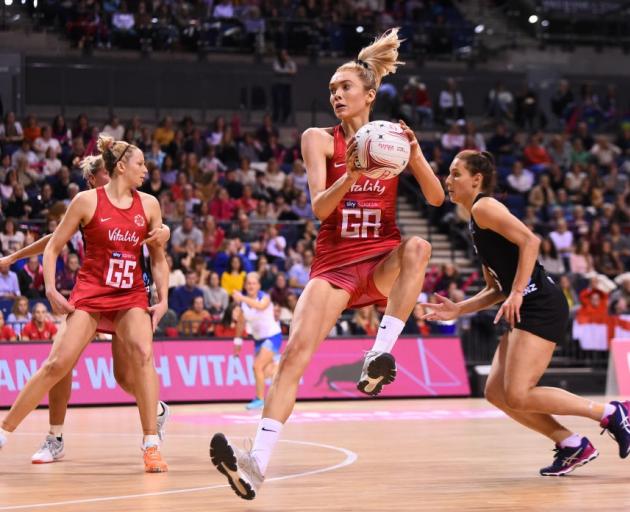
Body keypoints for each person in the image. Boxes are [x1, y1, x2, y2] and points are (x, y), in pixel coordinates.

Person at [210, 28, 444, 500]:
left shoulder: (395, 141)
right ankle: (256, 464)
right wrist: (353, 173)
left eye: (345, 88)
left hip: (381, 260)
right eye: (332, 90)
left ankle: (379, 352)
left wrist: (416, 154)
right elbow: (319, 207)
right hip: (334, 267)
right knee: (294, 356)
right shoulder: (318, 139)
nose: (336, 95)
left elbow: (437, 198)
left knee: (419, 247)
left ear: (369, 95)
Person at [421, 149, 630, 477]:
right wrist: (458, 309)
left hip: (540, 303)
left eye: (455, 173)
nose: (448, 180)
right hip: (524, 305)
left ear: (477, 179)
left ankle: (611, 412)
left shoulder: (484, 206)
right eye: (449, 174)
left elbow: (531, 242)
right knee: (496, 393)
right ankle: (571, 443)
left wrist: (517, 292)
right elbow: (496, 289)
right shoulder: (475, 224)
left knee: (518, 393)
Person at [0, 135, 171, 473]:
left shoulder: (149, 204)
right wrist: (48, 285)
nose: (146, 169)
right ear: (117, 168)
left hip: (129, 293)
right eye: (140, 163)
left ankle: (152, 438)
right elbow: (52, 242)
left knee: (135, 363)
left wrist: (163, 298)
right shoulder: (86, 201)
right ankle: (35, 435)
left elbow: (159, 255)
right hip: (90, 292)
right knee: (58, 363)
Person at [232, 272, 283, 410]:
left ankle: (260, 399)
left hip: (273, 336)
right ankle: (280, 367)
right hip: (258, 341)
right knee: (264, 372)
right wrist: (237, 343)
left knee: (257, 366)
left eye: (254, 283)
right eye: (248, 283)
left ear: (259, 285)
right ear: (245, 285)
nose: (251, 286)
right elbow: (240, 325)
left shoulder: (265, 297)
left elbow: (260, 306)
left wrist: (241, 297)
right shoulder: (243, 305)